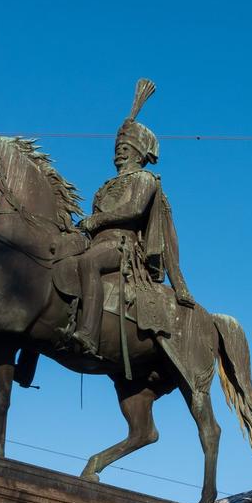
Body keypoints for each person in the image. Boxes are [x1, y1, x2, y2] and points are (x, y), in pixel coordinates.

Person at [72, 79, 193, 357]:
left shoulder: (144, 178)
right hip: (97, 242)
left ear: (138, 154)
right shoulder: (104, 186)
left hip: (123, 248)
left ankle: (89, 333)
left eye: (125, 149)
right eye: (118, 148)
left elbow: (135, 210)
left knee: (89, 262)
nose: (119, 152)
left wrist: (97, 221)